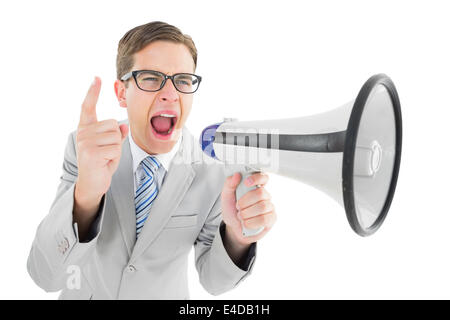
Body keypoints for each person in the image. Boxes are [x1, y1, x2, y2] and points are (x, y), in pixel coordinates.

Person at [27, 21, 277, 299]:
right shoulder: (85, 149)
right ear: (122, 93)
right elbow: (45, 276)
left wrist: (238, 237)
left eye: (182, 80)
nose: (170, 93)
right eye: (150, 78)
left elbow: (214, 282)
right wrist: (85, 196)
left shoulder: (214, 171)